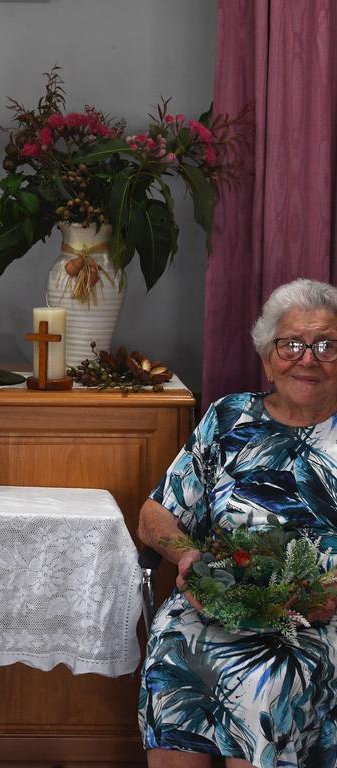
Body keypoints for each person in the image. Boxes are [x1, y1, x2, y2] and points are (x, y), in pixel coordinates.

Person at [137, 278, 337, 768]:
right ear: (267, 357)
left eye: (326, 345)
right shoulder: (229, 419)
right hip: (218, 602)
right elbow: (153, 515)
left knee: (268, 681)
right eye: (291, 344)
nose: (307, 358)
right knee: (172, 650)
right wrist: (187, 554)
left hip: (319, 618)